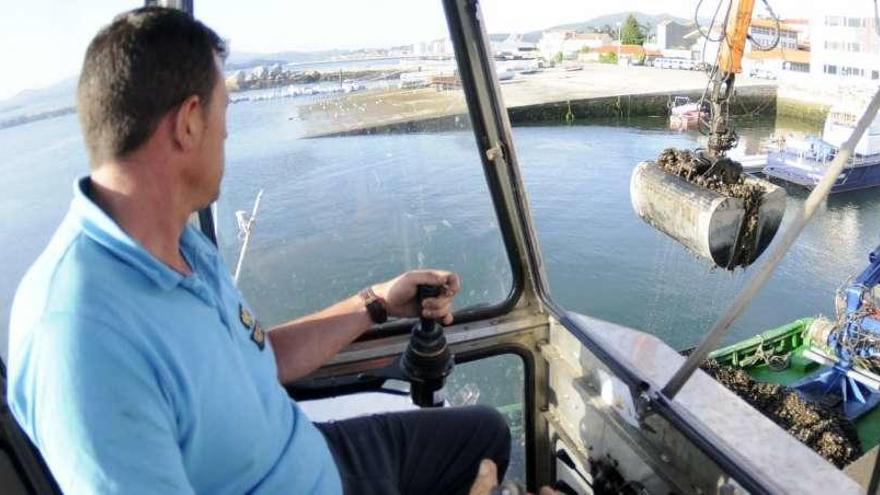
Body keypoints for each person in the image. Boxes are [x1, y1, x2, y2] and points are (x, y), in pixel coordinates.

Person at [6, 7, 514, 495]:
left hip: (310, 455)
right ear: (189, 122)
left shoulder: (180, 246)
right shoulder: (78, 336)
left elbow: (256, 360)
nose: (227, 131)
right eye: (224, 109)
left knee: (485, 435)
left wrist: (376, 301)